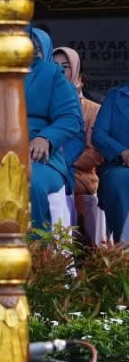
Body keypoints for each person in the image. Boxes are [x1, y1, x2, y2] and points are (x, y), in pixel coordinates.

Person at [0, 27, 84, 229]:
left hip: (35, 159)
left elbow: (70, 117)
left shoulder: (49, 73)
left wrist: (46, 138)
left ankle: (35, 255)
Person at [53, 46, 103, 236]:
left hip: (80, 174)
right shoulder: (42, 103)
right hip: (50, 169)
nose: (59, 71)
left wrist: (62, 164)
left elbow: (95, 154)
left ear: (76, 73)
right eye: (54, 65)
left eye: (64, 66)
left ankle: (68, 250)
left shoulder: (93, 109)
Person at [93, 83, 129, 243]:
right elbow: (99, 134)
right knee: (118, 181)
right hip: (120, 165)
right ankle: (124, 251)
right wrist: (121, 151)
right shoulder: (116, 96)